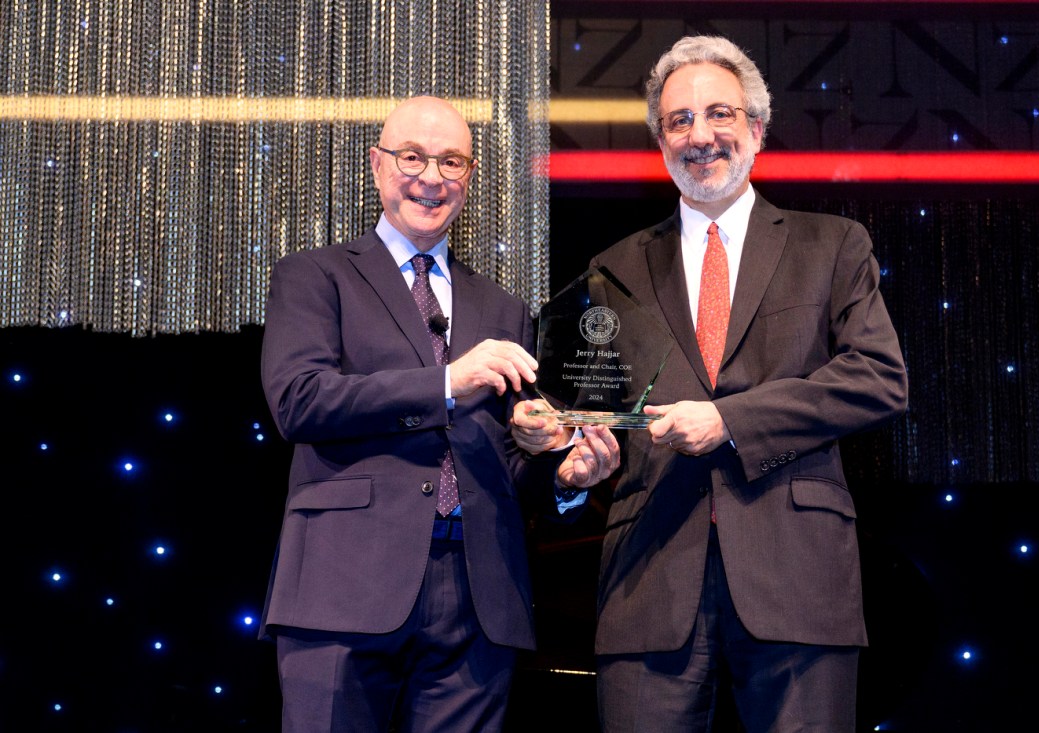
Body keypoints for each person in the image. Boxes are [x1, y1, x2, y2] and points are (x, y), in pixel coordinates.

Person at [513, 35, 908, 733]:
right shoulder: (612, 268)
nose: (701, 136)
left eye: (719, 114)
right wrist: (575, 463)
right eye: (679, 121)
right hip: (649, 577)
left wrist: (729, 420)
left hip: (799, 577)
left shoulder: (833, 245)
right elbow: (591, 413)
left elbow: (878, 379)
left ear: (756, 128)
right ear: (659, 141)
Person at [258, 95, 619, 733]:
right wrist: (446, 381)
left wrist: (563, 472)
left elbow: (510, 456)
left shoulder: (503, 308)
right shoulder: (316, 276)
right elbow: (299, 401)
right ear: (377, 166)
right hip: (344, 581)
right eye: (413, 158)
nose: (432, 177)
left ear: (470, 176)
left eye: (451, 161)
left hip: (479, 592)